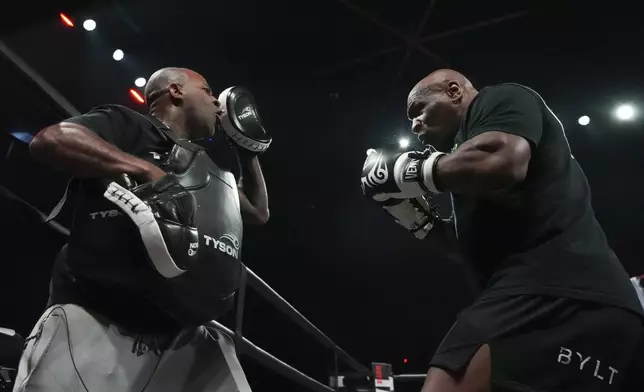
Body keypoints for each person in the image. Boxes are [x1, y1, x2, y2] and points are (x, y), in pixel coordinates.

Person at [361, 69, 644, 391]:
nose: (414, 124)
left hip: (551, 291)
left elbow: (502, 160)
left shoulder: (502, 98)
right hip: (610, 313)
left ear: (454, 91)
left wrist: (406, 171)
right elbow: (466, 247)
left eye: (419, 110)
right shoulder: (468, 169)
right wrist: (408, 213)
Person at [13, 67, 270, 392]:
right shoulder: (129, 124)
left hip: (184, 336)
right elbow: (51, 139)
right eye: (207, 91)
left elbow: (258, 212)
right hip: (97, 322)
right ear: (176, 91)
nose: (218, 105)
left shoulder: (207, 169)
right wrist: (146, 171)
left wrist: (247, 149)